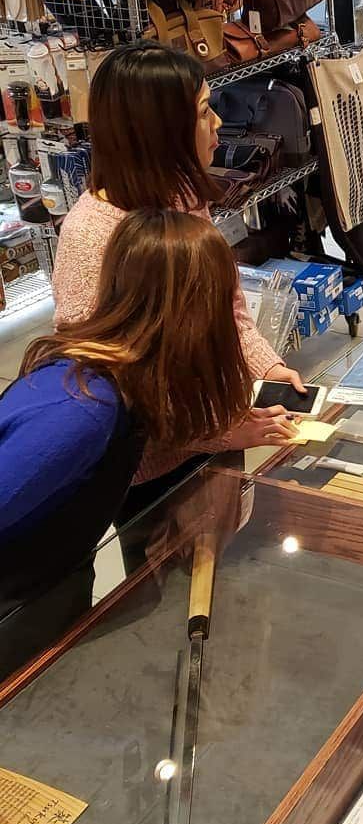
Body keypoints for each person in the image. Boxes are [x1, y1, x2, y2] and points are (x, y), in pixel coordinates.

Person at [0, 210, 280, 679]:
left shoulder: (121, 384)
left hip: (51, 590)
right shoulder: (84, 411)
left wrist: (212, 433)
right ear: (193, 314)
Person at [51, 42, 299, 567]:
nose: (216, 125)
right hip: (151, 472)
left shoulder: (183, 196)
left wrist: (270, 368)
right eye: (204, 111)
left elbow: (228, 308)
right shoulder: (92, 238)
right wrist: (219, 431)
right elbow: (108, 388)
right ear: (158, 129)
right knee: (172, 599)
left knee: (225, 570)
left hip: (213, 432)